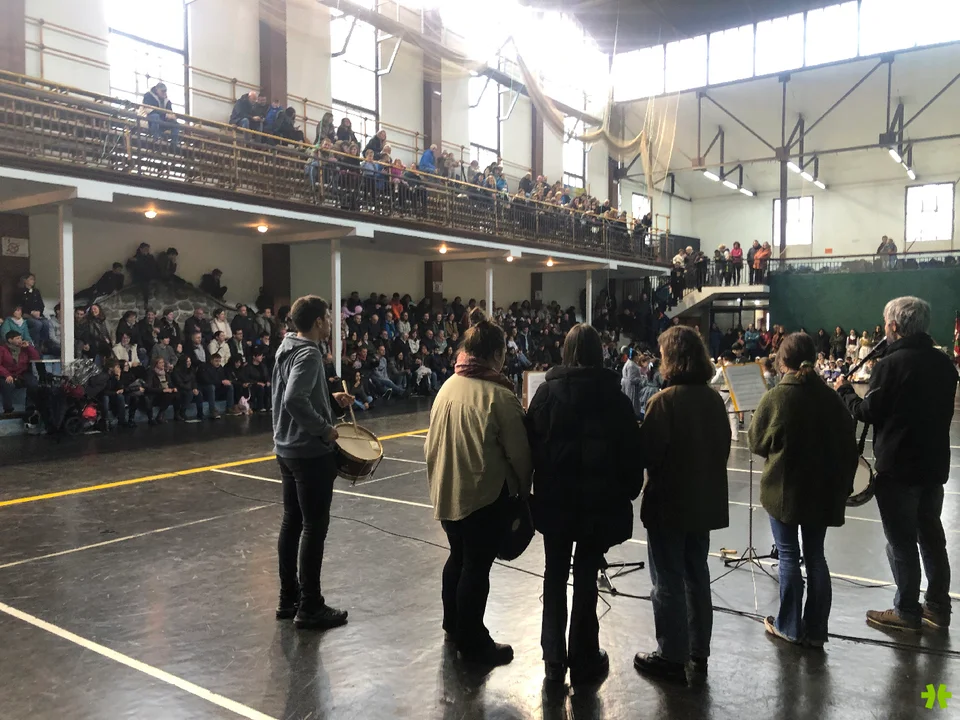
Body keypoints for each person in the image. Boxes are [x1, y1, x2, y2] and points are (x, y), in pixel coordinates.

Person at [525, 324, 642, 685]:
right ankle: (584, 654)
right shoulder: (616, 399)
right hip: (598, 506)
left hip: (555, 503)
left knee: (554, 575)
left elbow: (530, 449)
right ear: (598, 353)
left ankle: (553, 658)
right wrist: (626, 491)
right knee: (587, 577)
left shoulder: (545, 394)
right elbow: (631, 457)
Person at [835, 296, 958, 632]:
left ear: (892, 326)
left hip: (899, 467)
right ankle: (938, 608)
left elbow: (868, 411)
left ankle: (906, 611)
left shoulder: (891, 365)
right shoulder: (944, 364)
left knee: (901, 542)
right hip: (934, 465)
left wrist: (845, 392)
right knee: (932, 538)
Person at [425, 308, 532, 667]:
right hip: (482, 497)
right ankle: (472, 644)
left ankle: (452, 626)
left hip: (447, 490)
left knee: (457, 557)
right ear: (497, 354)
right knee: (476, 568)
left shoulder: (448, 385)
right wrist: (524, 493)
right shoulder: (498, 396)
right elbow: (520, 455)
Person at [633, 325, 730, 684]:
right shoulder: (714, 400)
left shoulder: (664, 402)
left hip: (669, 505)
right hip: (703, 503)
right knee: (697, 576)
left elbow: (648, 455)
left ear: (671, 358)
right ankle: (698, 650)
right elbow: (722, 449)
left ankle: (671, 655)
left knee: (668, 581)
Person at [749, 332, 859, 647]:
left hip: (784, 492)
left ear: (783, 361)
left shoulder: (777, 397)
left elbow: (756, 442)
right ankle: (817, 631)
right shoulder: (831, 398)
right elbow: (848, 448)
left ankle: (789, 627)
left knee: (788, 555)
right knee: (816, 557)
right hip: (822, 493)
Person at [273, 295, 355, 630]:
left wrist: (329, 401)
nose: (331, 322)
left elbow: (298, 394)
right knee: (313, 527)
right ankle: (310, 606)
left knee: (292, 522)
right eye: (328, 317)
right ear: (319, 321)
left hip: (286, 448)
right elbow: (294, 399)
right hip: (309, 452)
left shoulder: (288, 345)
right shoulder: (309, 353)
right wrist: (325, 429)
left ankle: (288, 598)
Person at [0, 330, 40, 414]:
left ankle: (30, 407)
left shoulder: (24, 348)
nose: (20, 340)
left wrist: (29, 347)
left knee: (33, 383)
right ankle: (8, 409)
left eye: (20, 338)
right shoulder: (2, 349)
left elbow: (36, 358)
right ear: (10, 340)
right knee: (7, 385)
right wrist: (7, 375)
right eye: (17, 338)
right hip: (7, 373)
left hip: (22, 373)